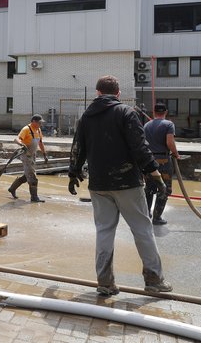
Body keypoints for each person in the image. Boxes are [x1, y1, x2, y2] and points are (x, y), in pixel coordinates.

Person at [68, 75, 172, 296]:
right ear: (118, 94)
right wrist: (154, 173)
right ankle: (154, 280)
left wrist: (73, 172)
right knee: (143, 230)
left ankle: (105, 283)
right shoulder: (126, 112)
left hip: (98, 184)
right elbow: (139, 146)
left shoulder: (87, 116)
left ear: (97, 93)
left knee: (104, 231)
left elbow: (78, 147)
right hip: (127, 183)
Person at [144, 102, 180, 225]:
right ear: (165, 112)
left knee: (149, 188)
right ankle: (157, 217)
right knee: (164, 189)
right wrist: (176, 153)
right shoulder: (169, 124)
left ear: (153, 112)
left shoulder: (146, 125)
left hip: (149, 161)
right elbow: (170, 142)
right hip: (163, 161)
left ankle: (146, 214)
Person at [8, 114, 48, 202]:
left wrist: (44, 154)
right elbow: (17, 139)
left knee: (27, 176)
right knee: (32, 176)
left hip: (33, 155)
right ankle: (34, 197)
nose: (40, 124)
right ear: (33, 121)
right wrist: (22, 144)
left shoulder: (38, 130)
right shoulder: (26, 129)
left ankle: (12, 188)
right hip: (26, 155)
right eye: (39, 122)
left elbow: (40, 143)